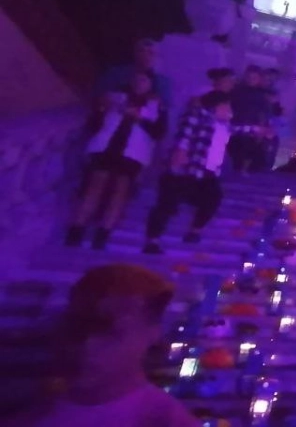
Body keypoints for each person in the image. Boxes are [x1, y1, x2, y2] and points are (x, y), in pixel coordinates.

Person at [5, 264, 198, 427]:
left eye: (112, 332)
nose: (89, 344)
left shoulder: (165, 419)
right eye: (81, 326)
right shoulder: (36, 406)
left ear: (152, 333)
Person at [67, 72, 167, 250]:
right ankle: (77, 229)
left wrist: (141, 118)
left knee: (120, 192)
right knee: (95, 186)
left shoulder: (155, 105)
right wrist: (103, 109)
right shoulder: (115, 98)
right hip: (106, 147)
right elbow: (95, 122)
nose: (139, 83)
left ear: (151, 85)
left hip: (133, 153)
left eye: (144, 80)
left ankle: (103, 233)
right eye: (137, 79)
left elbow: (159, 131)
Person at [142, 92, 232, 254]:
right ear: (217, 106)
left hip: (206, 173)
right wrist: (181, 149)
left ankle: (194, 231)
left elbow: (241, 129)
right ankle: (152, 240)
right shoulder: (199, 116)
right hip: (184, 169)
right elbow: (186, 131)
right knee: (167, 204)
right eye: (226, 106)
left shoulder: (224, 126)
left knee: (213, 197)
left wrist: (258, 130)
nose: (229, 110)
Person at [228, 66, 271, 175]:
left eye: (254, 78)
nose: (251, 80)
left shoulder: (262, 94)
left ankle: (244, 170)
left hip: (253, 125)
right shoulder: (236, 91)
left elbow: (264, 111)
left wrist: (262, 127)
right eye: (249, 77)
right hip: (236, 123)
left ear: (259, 79)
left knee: (250, 148)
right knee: (235, 148)